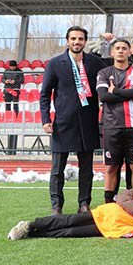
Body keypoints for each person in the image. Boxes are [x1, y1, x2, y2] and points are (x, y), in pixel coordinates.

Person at [40, 26, 107, 215]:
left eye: (80, 39)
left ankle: (84, 203)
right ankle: (56, 206)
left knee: (86, 169)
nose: (77, 42)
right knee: (57, 169)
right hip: (63, 122)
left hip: (88, 122)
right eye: (73, 39)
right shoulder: (55, 63)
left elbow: (115, 67)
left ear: (85, 41)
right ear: (67, 41)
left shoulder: (95, 62)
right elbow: (45, 94)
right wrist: (46, 119)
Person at [8, 170, 133, 240]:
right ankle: (30, 224)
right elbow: (122, 197)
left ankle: (35, 233)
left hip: (118, 227)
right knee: (69, 220)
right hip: (108, 214)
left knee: (71, 232)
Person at [95, 38, 133, 203]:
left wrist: (116, 91)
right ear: (112, 52)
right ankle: (109, 202)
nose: (120, 51)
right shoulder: (104, 73)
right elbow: (104, 96)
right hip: (111, 126)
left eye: (124, 48)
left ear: (129, 52)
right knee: (112, 166)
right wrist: (128, 94)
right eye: (117, 48)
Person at [2, 59, 24, 155]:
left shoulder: (20, 72)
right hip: (7, 90)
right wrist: (6, 81)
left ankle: (16, 117)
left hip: (15, 89)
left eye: (13, 66)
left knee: (15, 104)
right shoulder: (6, 71)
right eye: (11, 66)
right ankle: (8, 117)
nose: (12, 68)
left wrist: (14, 81)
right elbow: (2, 79)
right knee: (7, 104)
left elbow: (22, 80)